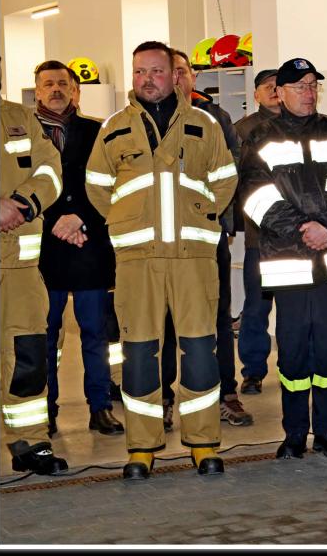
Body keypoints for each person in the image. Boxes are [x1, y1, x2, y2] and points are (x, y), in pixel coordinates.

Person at [85, 41, 238, 479]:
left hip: (193, 258)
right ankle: (142, 447)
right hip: (138, 261)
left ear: (174, 75)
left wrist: (202, 216)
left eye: (155, 71)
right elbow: (97, 185)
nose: (146, 79)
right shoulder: (114, 128)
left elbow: (225, 179)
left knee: (200, 350)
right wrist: (126, 221)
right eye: (139, 71)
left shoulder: (204, 124)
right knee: (138, 352)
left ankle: (203, 442)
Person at [240, 57, 327, 460]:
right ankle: (294, 434)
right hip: (290, 266)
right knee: (294, 354)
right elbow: (256, 197)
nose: (308, 93)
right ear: (279, 92)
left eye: (313, 85)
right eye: (299, 86)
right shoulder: (260, 137)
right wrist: (305, 230)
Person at [158, 49, 252, 429]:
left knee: (217, 317)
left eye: (182, 71)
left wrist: (220, 223)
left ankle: (226, 394)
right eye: (170, 72)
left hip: (207, 238)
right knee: (164, 321)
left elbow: (232, 170)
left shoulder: (216, 117)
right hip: (160, 242)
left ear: (193, 76)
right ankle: (164, 399)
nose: (176, 79)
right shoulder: (148, 120)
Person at [33, 60, 122, 437]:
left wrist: (79, 218)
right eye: (48, 84)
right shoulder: (22, 133)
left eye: (63, 83)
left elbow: (112, 183)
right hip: (43, 250)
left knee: (95, 334)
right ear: (37, 92)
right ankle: (47, 409)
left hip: (89, 245)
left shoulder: (98, 131)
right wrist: (56, 220)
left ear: (76, 90)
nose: (56, 89)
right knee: (45, 336)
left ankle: (100, 407)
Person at [0, 89, 67, 475]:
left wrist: (22, 204)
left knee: (27, 355)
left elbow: (49, 169)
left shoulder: (20, 118)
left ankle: (30, 441)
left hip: (20, 268)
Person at [234, 68, 280, 395]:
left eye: (279, 85)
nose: (275, 91)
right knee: (256, 307)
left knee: (294, 309)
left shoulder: (303, 125)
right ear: (256, 94)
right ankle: (252, 371)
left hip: (297, 239)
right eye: (268, 87)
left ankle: (294, 366)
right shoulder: (243, 130)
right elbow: (235, 183)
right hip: (259, 237)